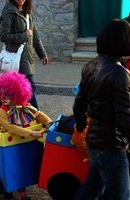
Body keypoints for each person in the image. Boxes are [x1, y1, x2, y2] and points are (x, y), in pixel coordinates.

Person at [72, 19, 130, 200]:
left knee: (93, 186)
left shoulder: (90, 66)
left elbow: (79, 104)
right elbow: (124, 118)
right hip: (111, 145)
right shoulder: (119, 73)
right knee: (120, 195)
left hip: (95, 140)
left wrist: (82, 127)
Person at [0, 71, 52, 200]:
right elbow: (10, 127)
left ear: (18, 93)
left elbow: (38, 114)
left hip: (27, 142)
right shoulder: (2, 111)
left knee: (25, 166)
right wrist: (30, 132)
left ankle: (22, 187)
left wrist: (48, 122)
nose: (4, 98)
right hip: (10, 143)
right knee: (13, 166)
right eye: (2, 94)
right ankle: (16, 190)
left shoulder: (26, 105)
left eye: (8, 95)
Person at [0, 0, 49, 110]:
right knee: (29, 88)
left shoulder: (27, 10)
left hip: (27, 57)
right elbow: (3, 36)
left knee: (22, 90)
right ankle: (37, 116)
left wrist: (42, 54)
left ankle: (23, 116)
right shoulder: (9, 12)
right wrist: (24, 35)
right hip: (16, 58)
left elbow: (35, 35)